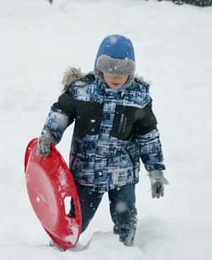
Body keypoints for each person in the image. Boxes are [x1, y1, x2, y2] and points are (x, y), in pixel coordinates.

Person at [36, 34, 168, 247]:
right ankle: (60, 251)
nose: (116, 76)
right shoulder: (82, 90)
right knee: (77, 218)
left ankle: (124, 252)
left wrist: (155, 171)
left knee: (125, 217)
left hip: (122, 172)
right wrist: (50, 136)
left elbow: (148, 136)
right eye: (110, 69)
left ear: (131, 72)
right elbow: (61, 112)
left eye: (123, 71)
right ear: (99, 68)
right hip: (87, 171)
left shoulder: (138, 98)